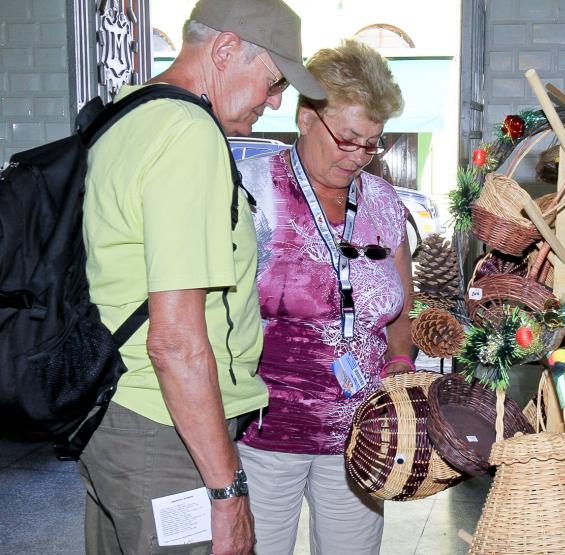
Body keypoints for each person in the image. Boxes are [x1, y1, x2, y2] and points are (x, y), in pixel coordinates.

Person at [77, 1, 326, 554]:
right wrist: (227, 491)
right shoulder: (188, 133)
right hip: (166, 429)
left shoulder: (127, 113)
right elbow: (176, 343)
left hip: (112, 412)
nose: (276, 101)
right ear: (226, 50)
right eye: (274, 81)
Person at [235, 39, 413, 555]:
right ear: (306, 118)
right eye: (348, 139)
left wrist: (401, 363)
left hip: (361, 435)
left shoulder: (383, 201)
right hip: (263, 436)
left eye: (372, 144)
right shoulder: (251, 191)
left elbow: (401, 306)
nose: (358, 157)